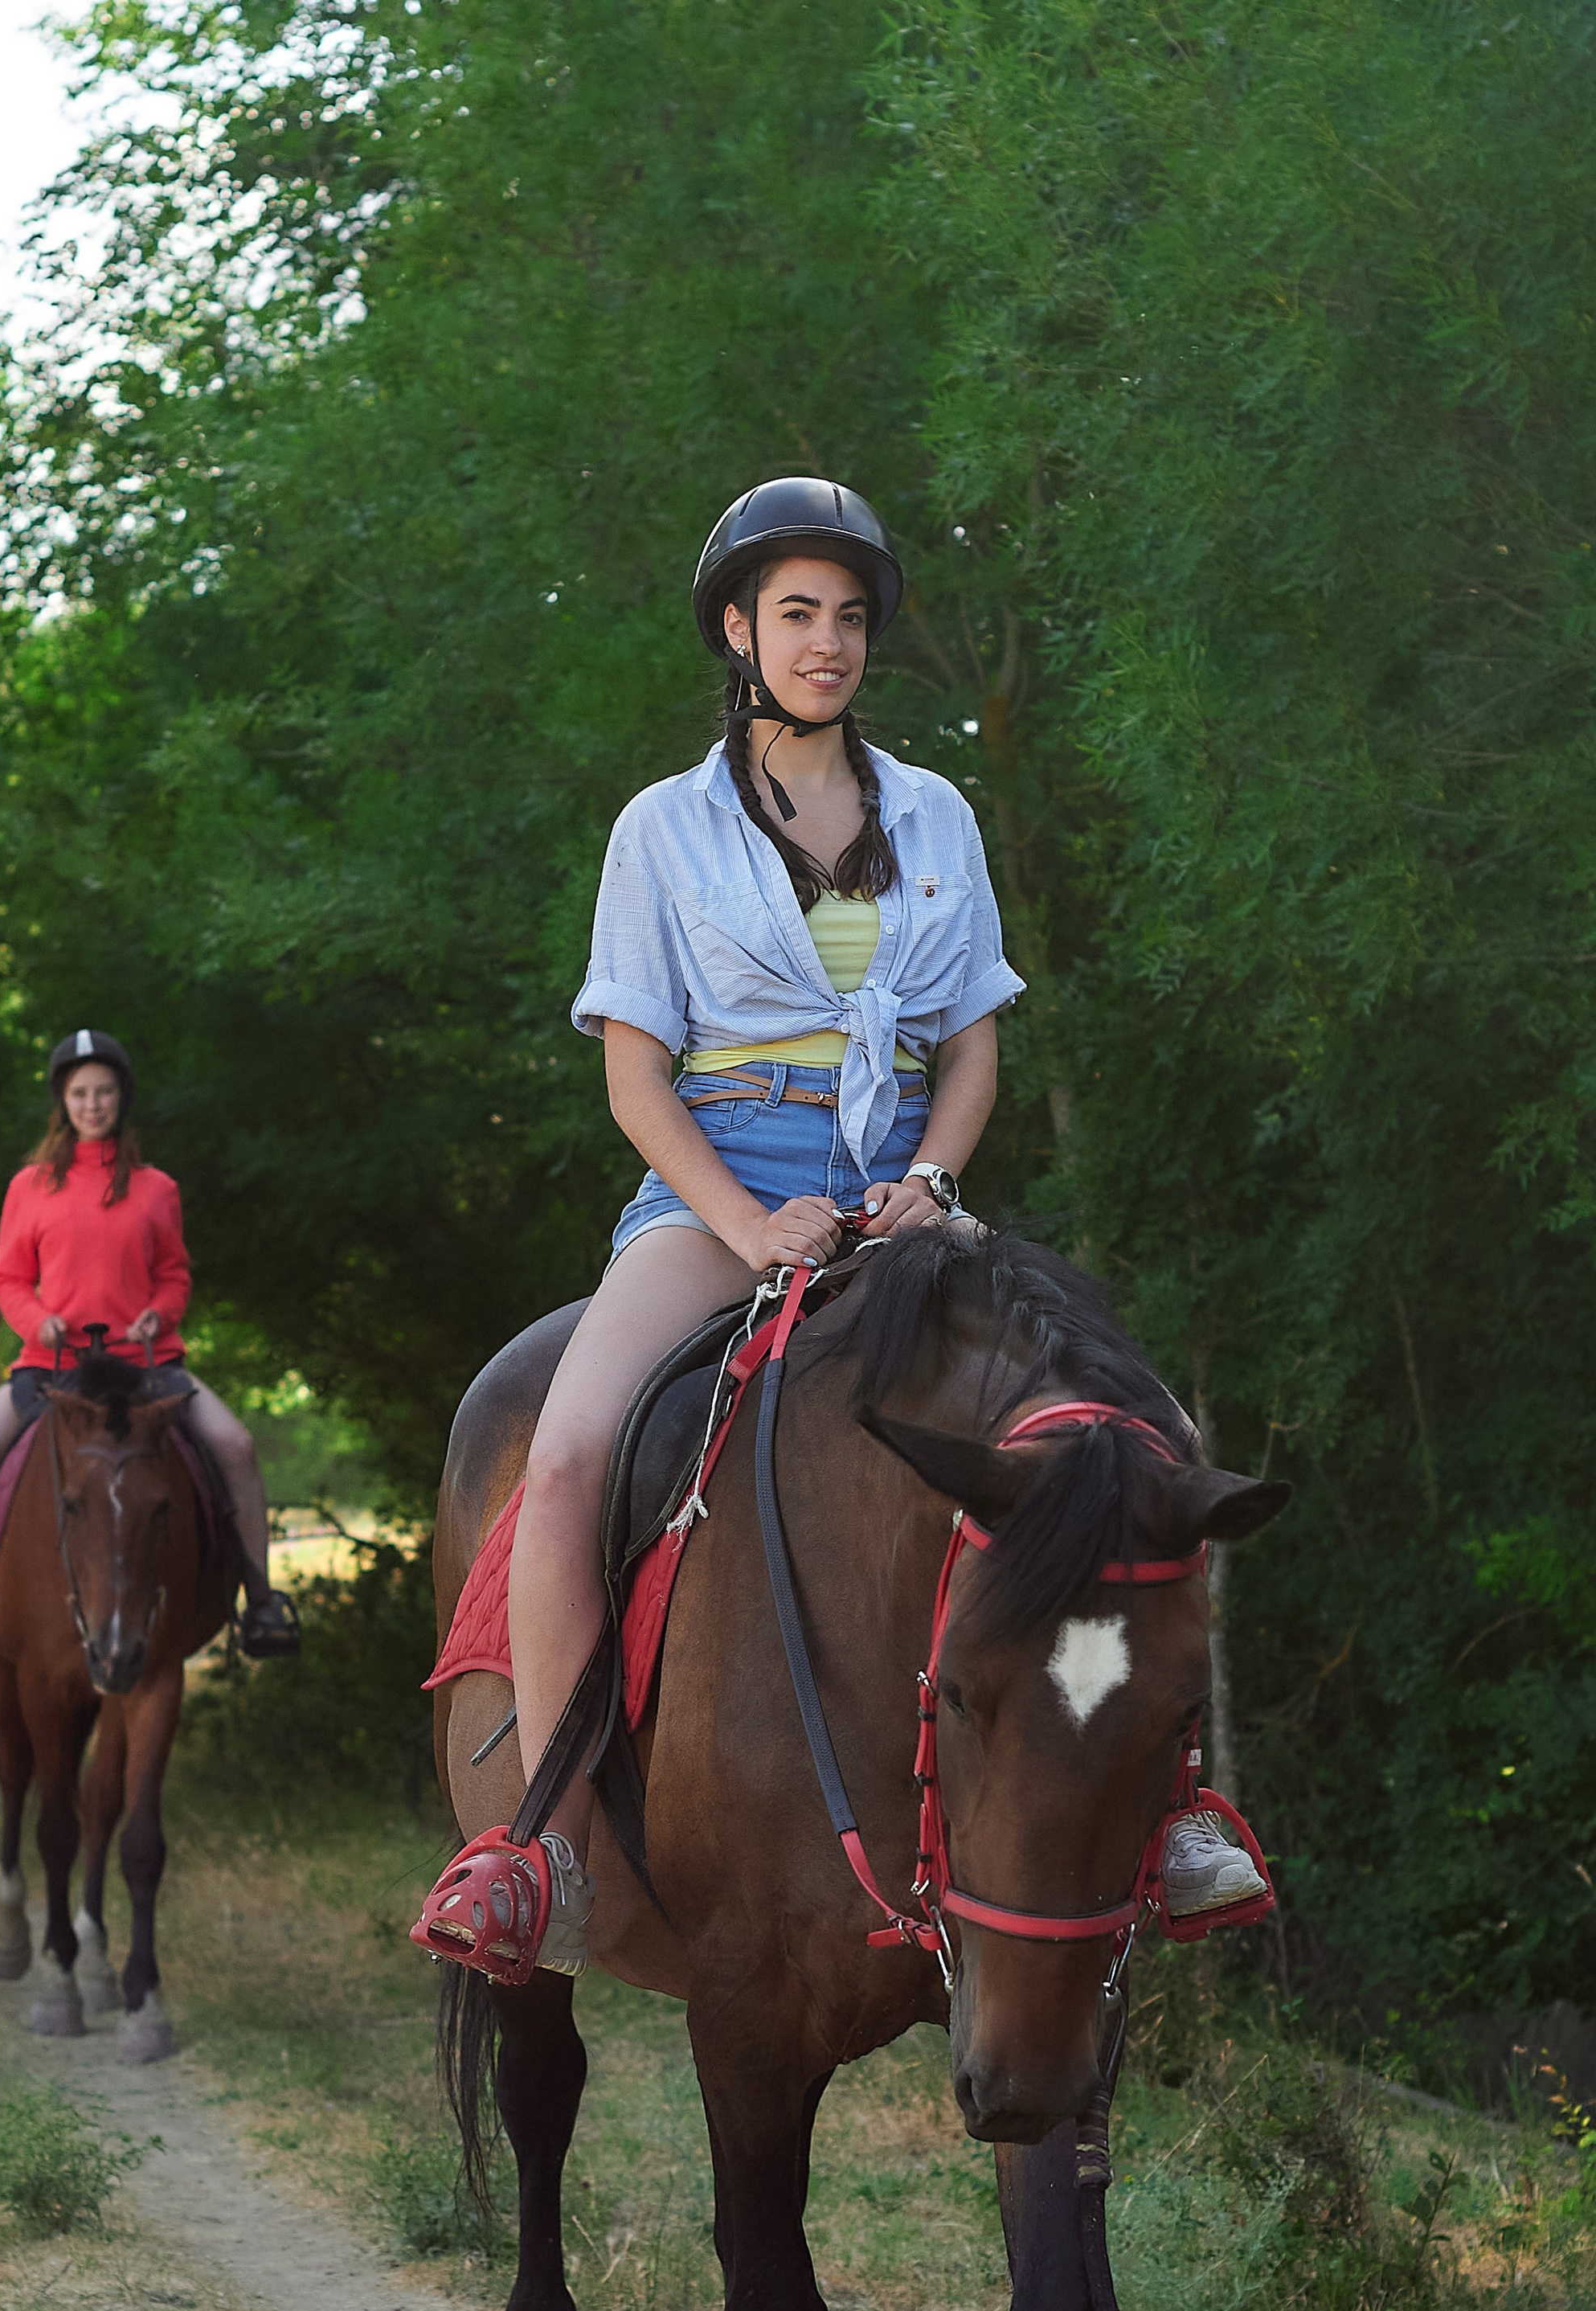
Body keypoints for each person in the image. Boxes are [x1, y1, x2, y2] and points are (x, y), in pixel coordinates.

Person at [416, 475, 1261, 1980]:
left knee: (1144, 1435)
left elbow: (972, 1048)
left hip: (901, 1193)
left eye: (851, 616)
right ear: (738, 630)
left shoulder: (936, 812)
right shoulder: (664, 829)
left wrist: (930, 1177)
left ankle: (1183, 1811)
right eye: (798, 612)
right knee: (564, 1455)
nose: (828, 641)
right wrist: (748, 1225)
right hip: (720, 1183)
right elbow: (635, 1075)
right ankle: (540, 1845)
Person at [0, 1030, 301, 1678]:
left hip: (145, 1366)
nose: (93, 1104)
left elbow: (174, 1275)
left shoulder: (156, 1188)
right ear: (63, 1101)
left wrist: (159, 1313)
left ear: (122, 1098)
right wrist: (40, 1322)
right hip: (52, 1368)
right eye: (81, 1093)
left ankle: (260, 1602)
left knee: (236, 1445)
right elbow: (8, 1279)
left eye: (105, 1092)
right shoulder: (29, 1187)